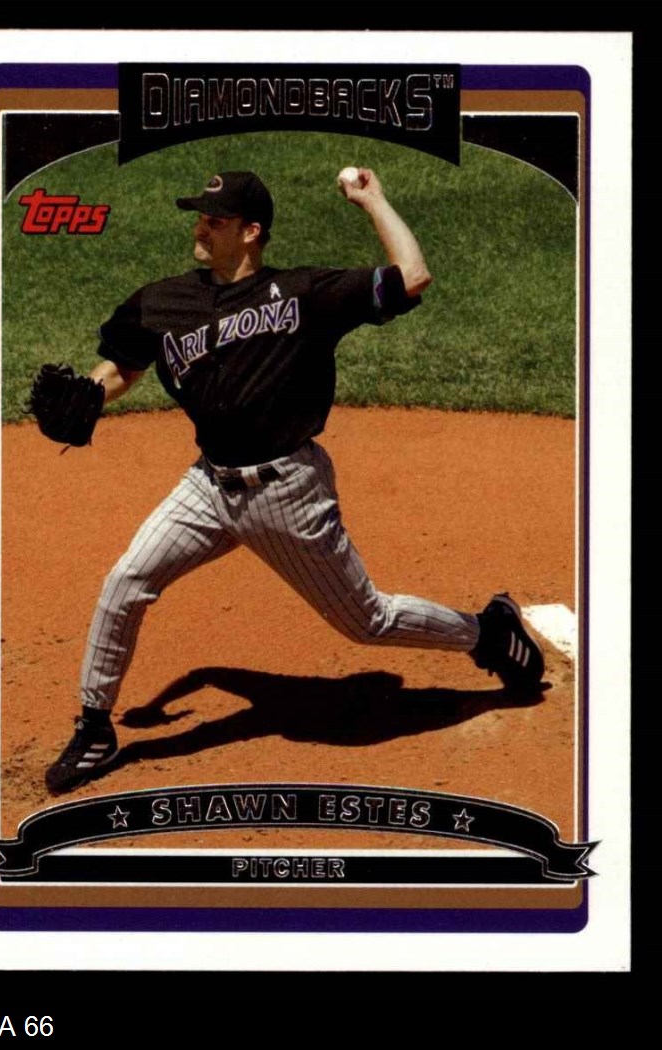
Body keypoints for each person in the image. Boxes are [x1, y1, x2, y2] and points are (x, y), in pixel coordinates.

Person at [45, 169, 544, 794]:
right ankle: (95, 726)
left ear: (251, 232)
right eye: (199, 216)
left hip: (287, 492)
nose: (200, 228)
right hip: (208, 488)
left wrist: (373, 200)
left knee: (367, 621)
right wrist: (93, 394)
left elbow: (412, 276)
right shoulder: (163, 301)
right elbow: (125, 363)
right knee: (126, 581)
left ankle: (488, 632)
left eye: (216, 220)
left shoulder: (305, 294)